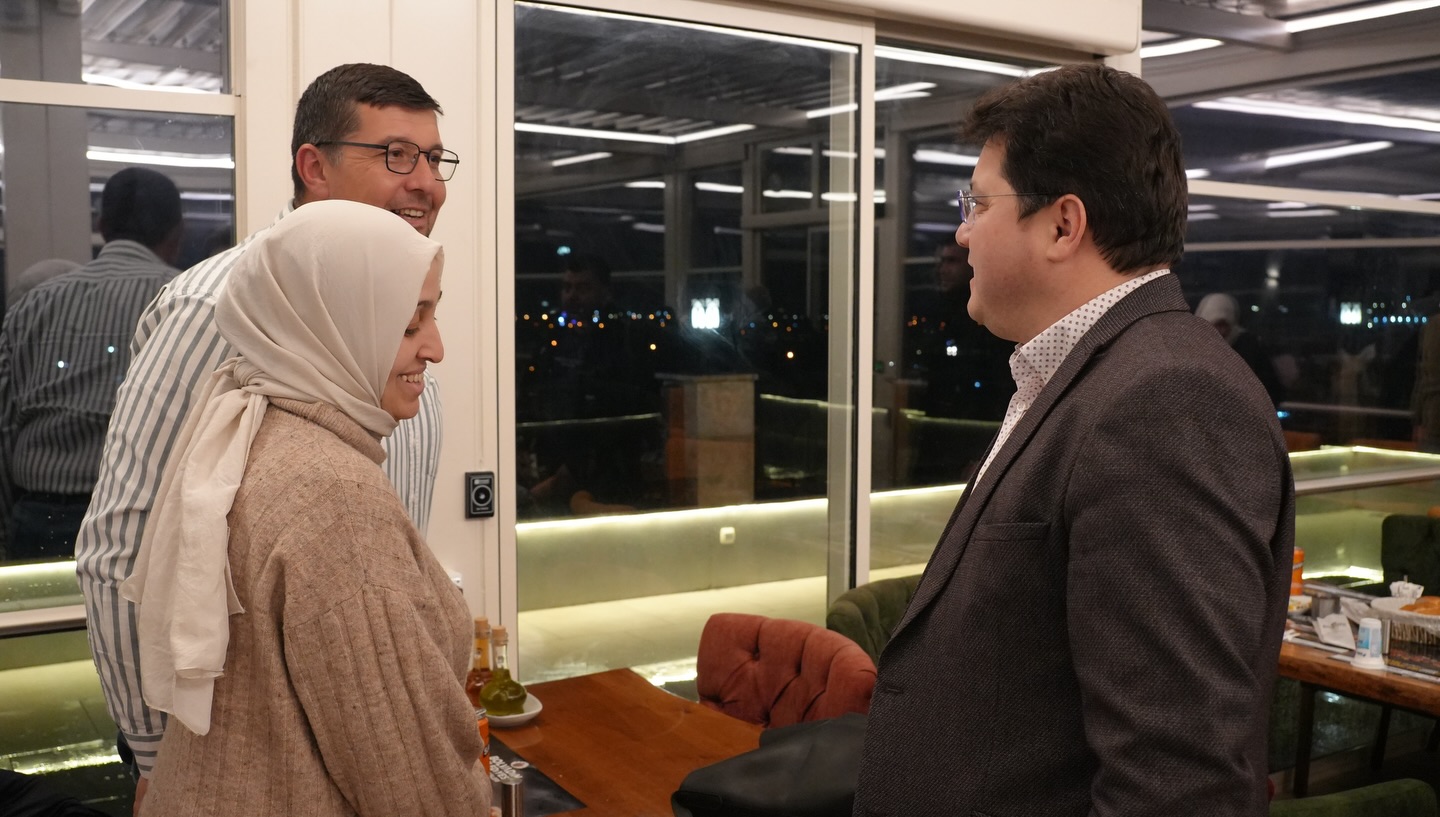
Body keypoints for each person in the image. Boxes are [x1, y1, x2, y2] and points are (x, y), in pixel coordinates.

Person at [853, 63, 1294, 817]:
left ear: (1063, 225)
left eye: (977, 203)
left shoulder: (1165, 401)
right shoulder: (1085, 376)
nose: (962, 231)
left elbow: (1178, 783)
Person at [73, 63, 456, 801]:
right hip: (258, 764)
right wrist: (156, 761)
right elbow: (123, 543)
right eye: (397, 155)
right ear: (314, 166)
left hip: (364, 737)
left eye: (436, 159)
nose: (428, 183)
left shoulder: (380, 307)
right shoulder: (218, 304)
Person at [120, 200, 489, 816]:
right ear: (332, 326)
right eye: (409, 325)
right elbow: (408, 779)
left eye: (433, 315)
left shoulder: (250, 433)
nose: (436, 348)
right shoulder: (336, 499)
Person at [0, 167, 183, 561]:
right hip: (139, 521)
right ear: (177, 233)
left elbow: (4, 426)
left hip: (37, 519)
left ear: (101, 225)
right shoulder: (182, 301)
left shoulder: (35, 302)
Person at [1196, 292, 1285, 407]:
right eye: (1216, 325)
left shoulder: (1248, 347)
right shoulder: (1194, 348)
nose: (1221, 331)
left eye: (1225, 325)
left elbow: (1269, 387)